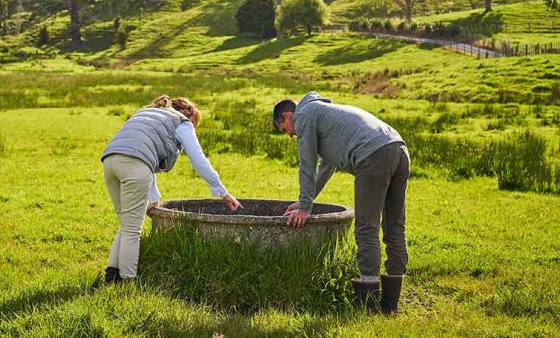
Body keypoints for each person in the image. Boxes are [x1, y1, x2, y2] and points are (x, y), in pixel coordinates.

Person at [273, 92, 409, 314]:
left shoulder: (305, 115)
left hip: (372, 155)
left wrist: (305, 208)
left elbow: (306, 162)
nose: (289, 134)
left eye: (284, 129)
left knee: (366, 227)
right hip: (398, 148)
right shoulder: (325, 115)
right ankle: (390, 305)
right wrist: (304, 201)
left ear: (288, 116)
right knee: (394, 226)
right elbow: (324, 167)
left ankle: (369, 304)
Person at [100, 95, 243, 284]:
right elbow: (199, 160)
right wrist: (222, 191)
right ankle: (127, 282)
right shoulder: (182, 122)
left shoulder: (147, 112)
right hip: (135, 165)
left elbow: (142, 153)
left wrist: (154, 197)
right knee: (133, 230)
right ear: (189, 114)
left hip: (110, 161)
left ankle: (111, 276)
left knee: (126, 223)